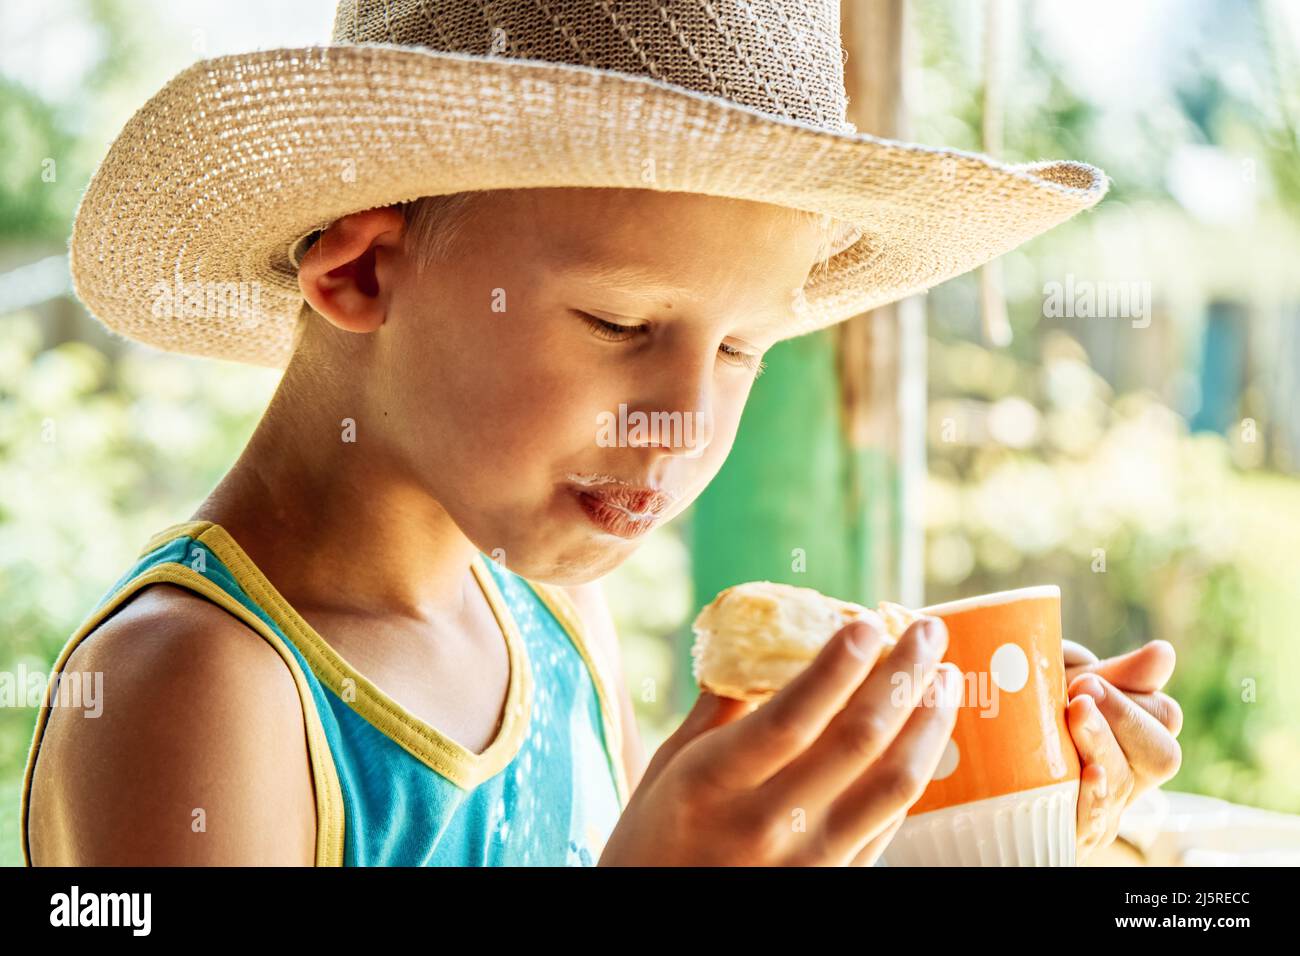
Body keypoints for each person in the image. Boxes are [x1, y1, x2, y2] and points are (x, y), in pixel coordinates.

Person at [21, 0, 1180, 866]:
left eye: (740, 349)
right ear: (364, 266)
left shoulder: (550, 616)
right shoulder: (196, 685)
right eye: (622, 322)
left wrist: (981, 814)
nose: (685, 423)